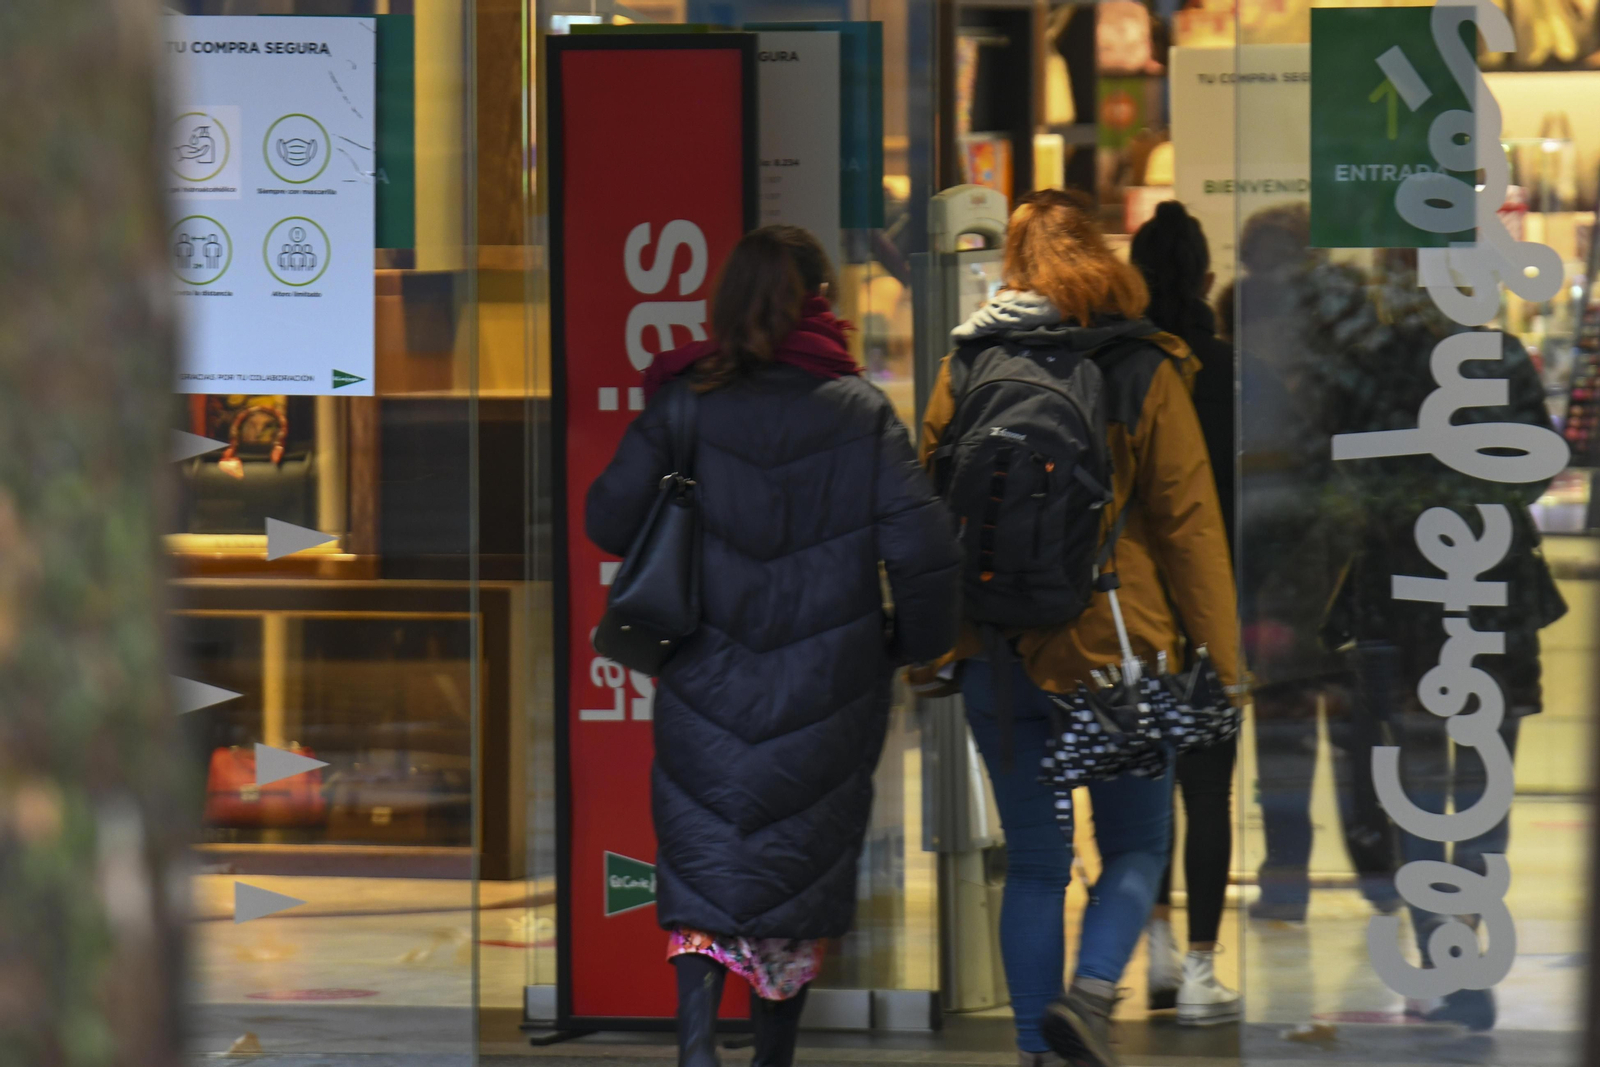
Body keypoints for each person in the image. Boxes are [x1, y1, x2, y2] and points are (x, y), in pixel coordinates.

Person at [586, 225, 961, 1067]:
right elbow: (925, 548)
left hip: (704, 671)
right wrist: (913, 643)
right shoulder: (859, 410)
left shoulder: (687, 399)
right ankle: (771, 1059)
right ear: (821, 301)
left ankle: (695, 1044)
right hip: (826, 682)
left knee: (705, 850)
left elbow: (607, 519)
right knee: (794, 864)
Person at [916, 190, 1240, 1067]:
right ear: (1098, 255)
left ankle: (1036, 1050)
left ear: (1013, 267)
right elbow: (1188, 526)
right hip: (1115, 654)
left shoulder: (967, 364)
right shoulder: (1143, 365)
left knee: (1034, 862)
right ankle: (1091, 996)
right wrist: (1225, 662)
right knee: (1136, 842)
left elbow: (928, 512)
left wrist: (931, 644)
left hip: (996, 650)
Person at [1320, 248, 1567, 1031]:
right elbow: (1535, 468)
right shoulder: (1500, 358)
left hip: (1400, 593)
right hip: (1494, 590)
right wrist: (1472, 495)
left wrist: (1418, 501)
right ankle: (1466, 949)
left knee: (1421, 793)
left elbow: (1347, 475)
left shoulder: (1372, 362)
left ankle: (1444, 952)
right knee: (1484, 785)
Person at [1234, 203, 1401, 924]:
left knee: (1286, 729)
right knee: (1356, 728)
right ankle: (1376, 872)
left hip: (1274, 556)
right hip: (1341, 552)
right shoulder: (1354, 324)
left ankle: (1287, 877)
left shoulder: (1242, 322)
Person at [1127, 200, 1239, 1025]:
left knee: (1146, 790)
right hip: (1217, 605)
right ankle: (1201, 963)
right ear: (1206, 278)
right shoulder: (1232, 370)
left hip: (1135, 610)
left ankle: (1159, 946)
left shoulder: (1121, 368)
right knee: (1208, 791)